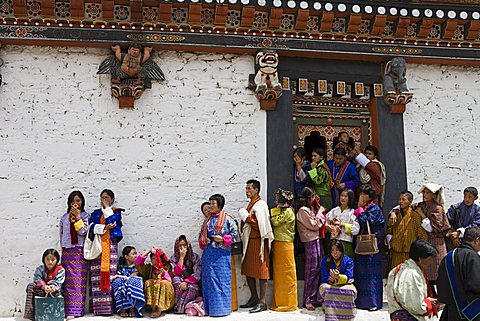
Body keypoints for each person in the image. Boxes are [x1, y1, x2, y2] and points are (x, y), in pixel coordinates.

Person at [199, 193, 239, 317]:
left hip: (222, 254)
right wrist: (203, 239)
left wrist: (222, 239)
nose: (210, 206)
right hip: (208, 254)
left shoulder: (228, 219)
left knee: (222, 281)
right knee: (209, 281)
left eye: (213, 203)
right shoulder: (207, 220)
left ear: (219, 205)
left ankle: (222, 310)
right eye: (210, 203)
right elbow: (201, 234)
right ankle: (210, 310)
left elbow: (236, 235)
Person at [238, 180, 274, 313]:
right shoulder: (251, 204)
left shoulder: (261, 205)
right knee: (248, 269)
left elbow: (261, 226)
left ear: (256, 190)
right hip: (249, 241)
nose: (247, 191)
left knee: (261, 271)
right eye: (246, 188)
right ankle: (254, 297)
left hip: (259, 242)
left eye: (249, 189)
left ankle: (262, 302)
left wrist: (247, 218)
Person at [88, 189, 124, 315]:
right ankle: (98, 309)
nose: (104, 199)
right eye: (102, 197)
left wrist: (108, 209)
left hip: (110, 247)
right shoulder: (96, 213)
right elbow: (91, 226)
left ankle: (111, 308)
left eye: (107, 197)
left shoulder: (116, 212)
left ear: (112, 199)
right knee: (96, 276)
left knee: (110, 275)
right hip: (98, 247)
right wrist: (104, 228)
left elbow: (114, 223)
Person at [387, 239, 439, 321]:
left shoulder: (400, 268)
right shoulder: (412, 274)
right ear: (420, 259)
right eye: (430, 259)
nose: (431, 262)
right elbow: (415, 306)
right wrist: (427, 303)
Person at [437, 227, 480, 321]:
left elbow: (441, 290)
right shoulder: (472, 256)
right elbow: (477, 285)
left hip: (451, 313)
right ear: (477, 240)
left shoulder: (447, 258)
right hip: (473, 313)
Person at [415, 183, 451, 295]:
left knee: (437, 271)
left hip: (436, 242)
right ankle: (432, 296)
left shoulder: (437, 209)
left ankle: (442, 297)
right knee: (427, 270)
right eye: (424, 192)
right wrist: (394, 212)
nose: (424, 195)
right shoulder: (421, 205)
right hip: (426, 242)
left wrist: (421, 214)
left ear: (434, 195)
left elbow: (431, 228)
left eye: (427, 193)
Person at [59, 191, 89, 319]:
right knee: (67, 282)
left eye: (78, 201)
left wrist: (77, 217)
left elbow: (83, 232)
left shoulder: (85, 216)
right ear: (69, 203)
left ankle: (76, 311)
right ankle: (67, 310)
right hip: (67, 252)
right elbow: (61, 235)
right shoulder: (64, 217)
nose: (76, 203)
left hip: (79, 252)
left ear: (82, 202)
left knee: (78, 282)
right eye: (73, 201)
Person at [355, 184, 385, 311]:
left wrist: (360, 211)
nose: (361, 196)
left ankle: (374, 302)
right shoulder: (364, 207)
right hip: (362, 245)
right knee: (362, 272)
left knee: (371, 273)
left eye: (364, 194)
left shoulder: (374, 208)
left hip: (373, 244)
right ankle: (362, 302)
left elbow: (367, 221)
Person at [296, 186, 326, 310]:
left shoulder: (310, 209)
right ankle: (308, 299)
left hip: (316, 240)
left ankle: (316, 298)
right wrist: (320, 212)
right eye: (313, 196)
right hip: (310, 241)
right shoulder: (303, 210)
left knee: (319, 268)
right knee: (311, 271)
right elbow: (314, 225)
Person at [270, 189, 298, 312]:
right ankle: (281, 301)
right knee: (281, 274)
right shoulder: (285, 211)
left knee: (287, 274)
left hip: (285, 244)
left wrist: (276, 209)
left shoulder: (287, 211)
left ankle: (288, 303)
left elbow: (275, 222)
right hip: (280, 244)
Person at [386, 191, 428, 270]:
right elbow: (389, 229)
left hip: (410, 252)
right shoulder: (395, 215)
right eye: (399, 199)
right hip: (396, 252)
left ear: (410, 201)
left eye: (403, 199)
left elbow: (422, 235)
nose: (400, 202)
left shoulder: (415, 216)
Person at [319, 240, 357, 321]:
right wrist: (333, 278)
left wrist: (338, 277)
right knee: (325, 288)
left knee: (350, 290)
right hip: (329, 283)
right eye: (332, 250)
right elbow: (324, 277)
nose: (335, 253)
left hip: (344, 284)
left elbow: (349, 276)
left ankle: (347, 317)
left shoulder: (348, 260)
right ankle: (331, 316)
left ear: (341, 250)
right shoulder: (325, 260)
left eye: (337, 250)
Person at [24, 249, 65, 321]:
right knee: (30, 286)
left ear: (57, 260)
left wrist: (52, 287)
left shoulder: (60, 270)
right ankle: (30, 314)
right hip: (42, 291)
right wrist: (44, 286)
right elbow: (37, 278)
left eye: (53, 259)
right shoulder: (40, 269)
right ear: (44, 260)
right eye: (47, 259)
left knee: (58, 294)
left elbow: (59, 282)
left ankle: (55, 315)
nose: (50, 262)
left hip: (54, 291)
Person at [135, 246, 175, 318]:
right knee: (148, 282)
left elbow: (171, 280)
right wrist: (149, 250)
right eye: (153, 258)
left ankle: (159, 309)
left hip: (167, 298)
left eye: (157, 258)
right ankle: (153, 307)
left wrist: (164, 273)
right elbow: (137, 262)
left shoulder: (168, 267)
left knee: (164, 283)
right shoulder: (149, 268)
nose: (155, 261)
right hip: (153, 302)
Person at [170, 235, 201, 314]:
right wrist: (181, 258)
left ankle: (180, 308)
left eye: (184, 245)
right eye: (180, 245)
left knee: (192, 288)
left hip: (191, 283)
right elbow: (175, 273)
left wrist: (187, 282)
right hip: (180, 282)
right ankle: (181, 307)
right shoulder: (174, 258)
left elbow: (197, 274)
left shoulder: (195, 257)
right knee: (176, 281)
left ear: (188, 245)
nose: (182, 248)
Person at [111, 246, 146, 317]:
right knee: (118, 282)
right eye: (133, 254)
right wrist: (127, 277)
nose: (135, 256)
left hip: (131, 284)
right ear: (126, 256)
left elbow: (138, 276)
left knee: (136, 281)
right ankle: (122, 309)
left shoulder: (137, 267)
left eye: (136, 253)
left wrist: (131, 278)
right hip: (123, 282)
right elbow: (116, 276)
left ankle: (132, 308)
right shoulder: (120, 267)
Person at [325, 188, 359, 258]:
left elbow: (356, 229)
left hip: (346, 243)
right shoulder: (334, 210)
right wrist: (328, 226)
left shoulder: (352, 212)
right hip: (334, 242)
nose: (343, 198)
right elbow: (324, 221)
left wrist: (341, 224)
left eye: (346, 196)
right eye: (341, 196)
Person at [308, 147, 334, 211]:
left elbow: (318, 181)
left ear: (321, 157)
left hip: (324, 196)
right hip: (318, 195)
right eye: (312, 156)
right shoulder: (317, 167)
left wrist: (313, 170)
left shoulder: (323, 168)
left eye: (315, 156)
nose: (313, 158)